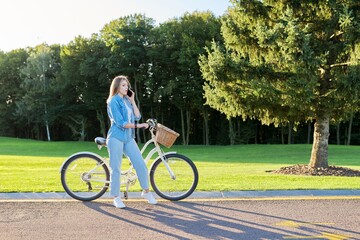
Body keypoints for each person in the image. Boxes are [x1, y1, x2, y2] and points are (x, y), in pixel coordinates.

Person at [106, 75, 157, 208]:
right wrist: (138, 126)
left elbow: (137, 116)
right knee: (116, 168)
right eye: (123, 85)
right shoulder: (113, 101)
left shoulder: (127, 100)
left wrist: (133, 100)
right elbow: (121, 123)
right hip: (116, 137)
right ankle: (116, 197)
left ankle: (146, 191)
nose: (126, 87)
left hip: (128, 138)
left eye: (127, 85)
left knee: (140, 164)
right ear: (116, 87)